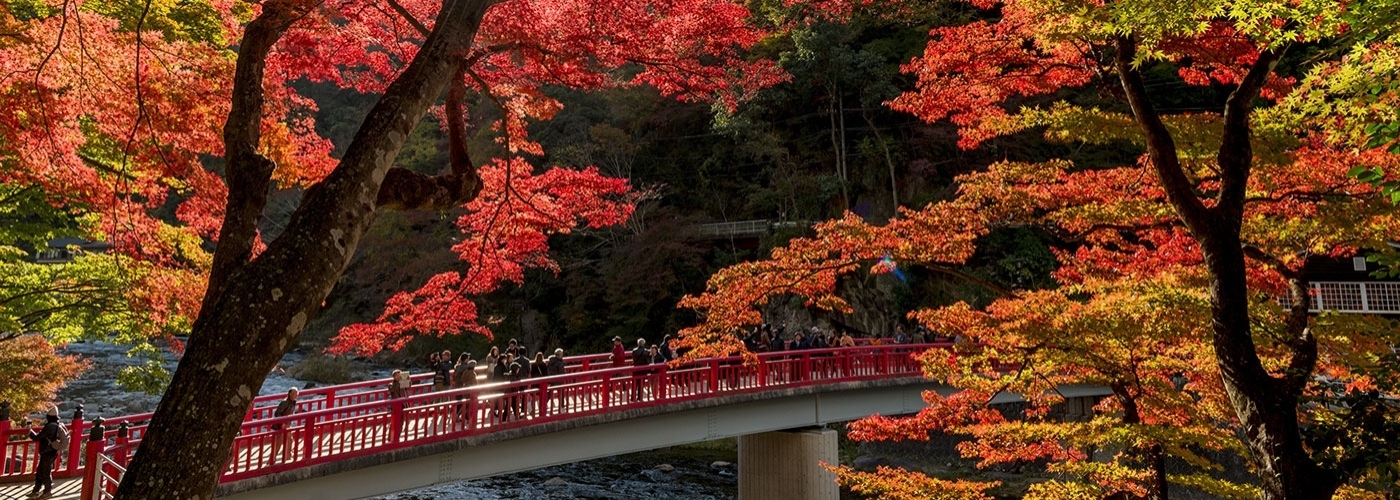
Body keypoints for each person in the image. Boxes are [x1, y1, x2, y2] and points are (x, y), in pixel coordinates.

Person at [25, 406, 63, 499]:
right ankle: (36, 491)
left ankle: (47, 491)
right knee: (41, 471)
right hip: (53, 451)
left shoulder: (49, 426)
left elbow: (37, 437)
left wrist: (30, 431)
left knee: (45, 472)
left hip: (47, 452)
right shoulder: (59, 425)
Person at [271, 388, 298, 463]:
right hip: (281, 425)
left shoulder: (293, 402)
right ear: (290, 394)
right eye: (294, 394)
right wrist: (281, 423)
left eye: (296, 394)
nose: (295, 396)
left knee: (290, 440)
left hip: (287, 425)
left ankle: (288, 457)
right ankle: (272, 460)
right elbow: (277, 413)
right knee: (278, 443)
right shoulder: (284, 402)